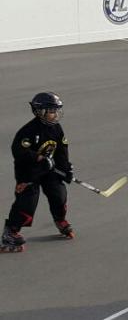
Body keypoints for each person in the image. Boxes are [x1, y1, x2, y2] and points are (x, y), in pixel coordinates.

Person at [3, 92, 73, 252]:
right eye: (51, 111)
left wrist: (67, 169)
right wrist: (39, 158)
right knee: (27, 203)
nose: (55, 115)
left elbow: (62, 151)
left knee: (59, 194)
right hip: (29, 172)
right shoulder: (28, 131)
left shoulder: (56, 129)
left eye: (56, 111)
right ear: (40, 112)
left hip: (49, 170)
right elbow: (19, 151)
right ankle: (10, 232)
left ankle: (60, 220)